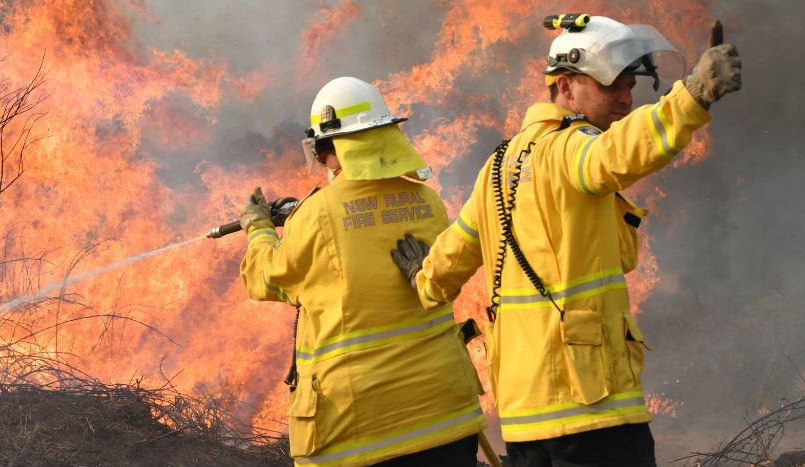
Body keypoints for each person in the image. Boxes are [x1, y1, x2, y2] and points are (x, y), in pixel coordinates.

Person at [390, 14, 742, 467]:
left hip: (525, 421)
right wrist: (693, 95)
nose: (625, 97)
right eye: (610, 85)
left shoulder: (497, 167)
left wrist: (423, 278)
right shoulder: (573, 147)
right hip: (592, 412)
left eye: (629, 86)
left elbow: (451, 256)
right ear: (565, 87)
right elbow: (621, 152)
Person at [239, 76, 487, 467]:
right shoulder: (428, 201)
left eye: (321, 151)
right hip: (446, 417)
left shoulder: (316, 213)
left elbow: (264, 278)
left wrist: (259, 228)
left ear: (328, 149)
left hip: (361, 432)